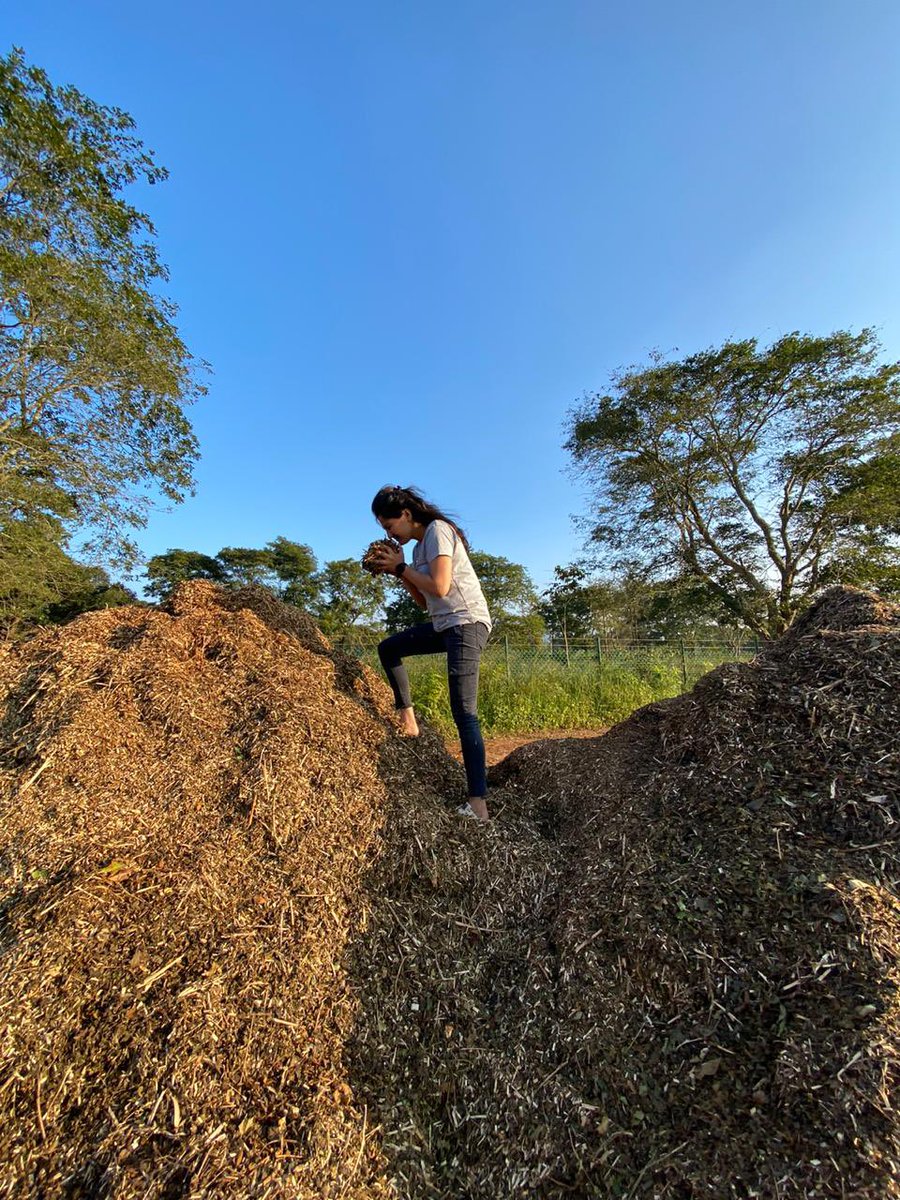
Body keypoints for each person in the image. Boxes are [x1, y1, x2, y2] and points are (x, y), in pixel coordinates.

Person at [369, 485, 492, 822]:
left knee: (464, 711)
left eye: (389, 526)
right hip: (445, 624)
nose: (389, 534)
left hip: (466, 623)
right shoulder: (421, 546)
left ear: (406, 516)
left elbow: (440, 586)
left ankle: (478, 806)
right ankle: (408, 721)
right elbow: (426, 601)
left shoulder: (438, 531)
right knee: (389, 647)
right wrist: (401, 571)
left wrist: (401, 568)